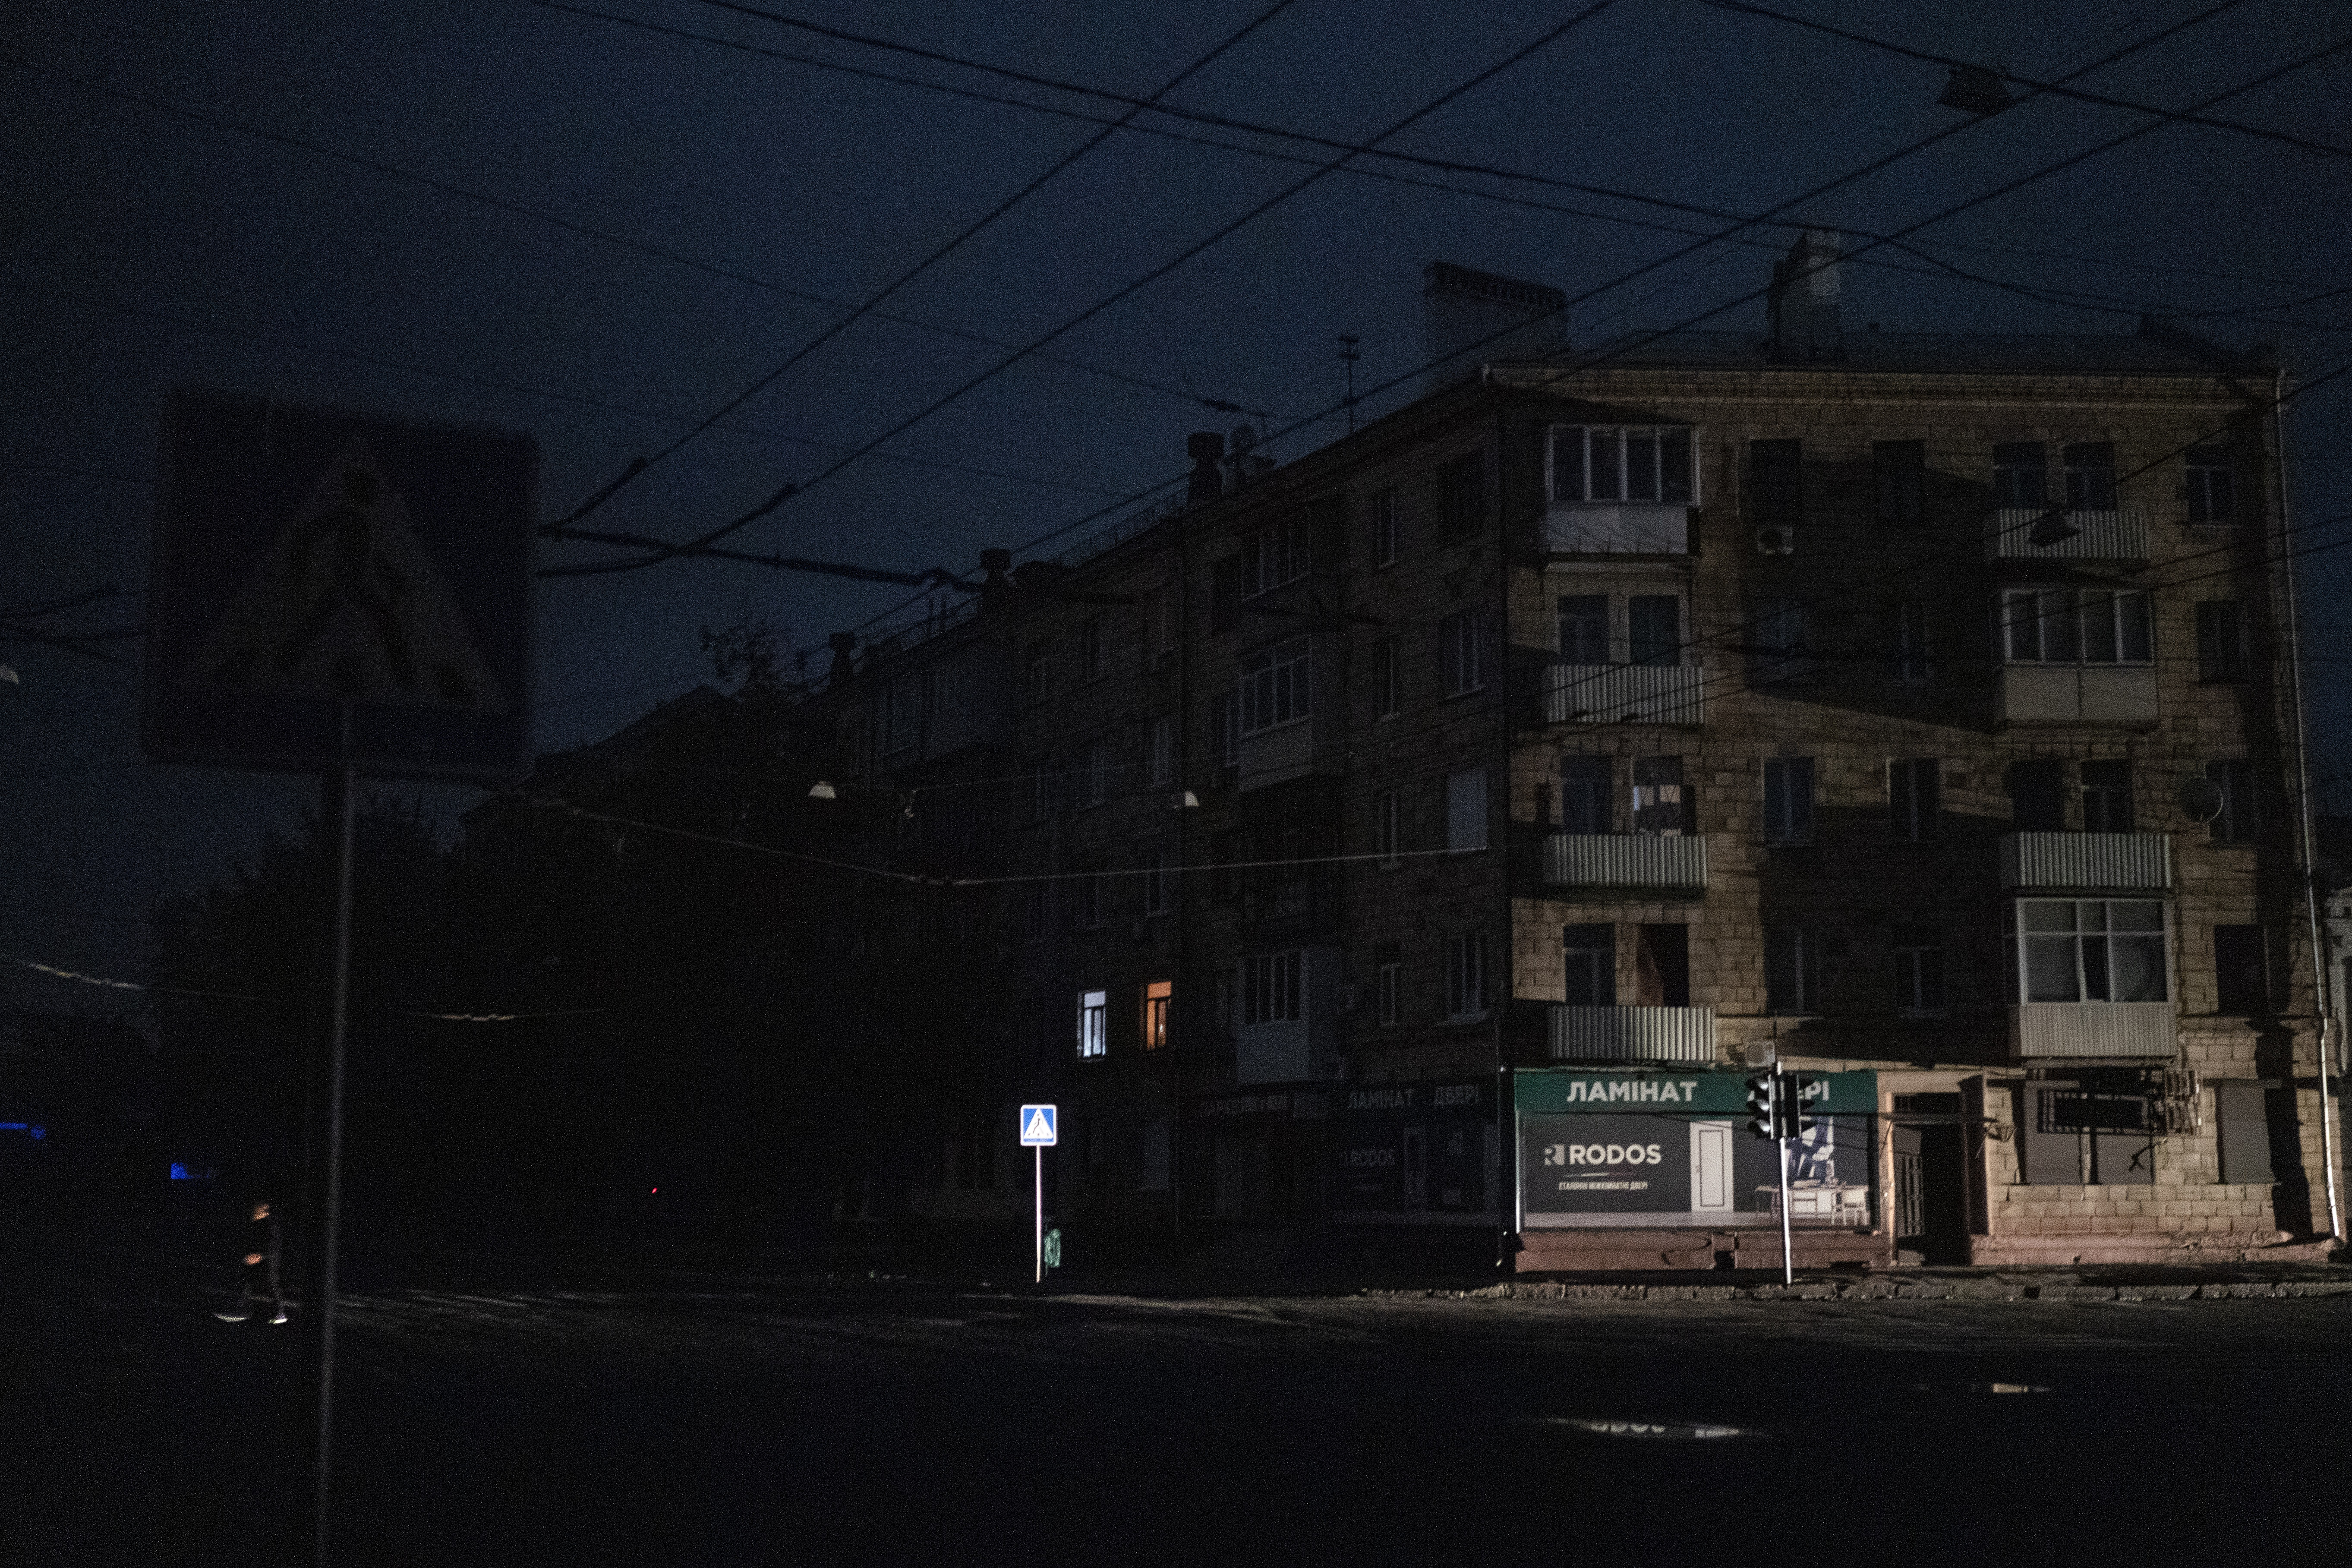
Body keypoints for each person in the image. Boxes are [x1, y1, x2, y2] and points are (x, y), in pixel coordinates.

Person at [215, 1199, 289, 1325]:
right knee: (247, 1282)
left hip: (268, 1260)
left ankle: (280, 1313)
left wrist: (261, 1256)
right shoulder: (255, 1221)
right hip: (255, 1258)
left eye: (259, 1206)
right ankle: (242, 1311)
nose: (255, 1209)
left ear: (264, 1208)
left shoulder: (271, 1223)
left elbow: (275, 1244)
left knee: (270, 1285)